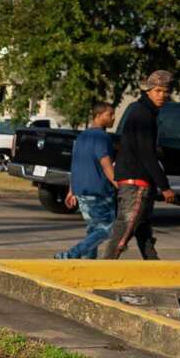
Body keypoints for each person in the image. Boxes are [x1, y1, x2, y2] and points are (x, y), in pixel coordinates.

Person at [101, 70, 177, 259]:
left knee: (142, 227)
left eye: (166, 91)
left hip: (135, 178)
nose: (162, 95)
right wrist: (165, 186)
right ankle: (105, 266)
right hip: (136, 181)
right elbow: (146, 153)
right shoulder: (143, 114)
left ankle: (153, 264)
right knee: (125, 228)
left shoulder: (142, 110)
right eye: (158, 90)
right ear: (148, 91)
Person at [56, 102, 117, 259]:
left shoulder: (81, 137)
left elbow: (75, 165)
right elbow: (106, 164)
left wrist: (71, 190)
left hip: (81, 190)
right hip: (98, 191)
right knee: (107, 229)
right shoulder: (102, 137)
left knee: (93, 229)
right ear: (98, 116)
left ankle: (88, 263)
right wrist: (119, 184)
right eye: (109, 114)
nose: (113, 118)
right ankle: (71, 254)